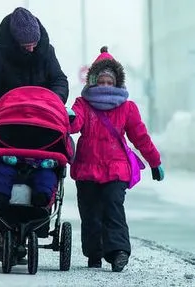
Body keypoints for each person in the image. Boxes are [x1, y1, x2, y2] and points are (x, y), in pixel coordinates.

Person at [69, 46, 165, 272]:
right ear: (92, 81)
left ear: (116, 83)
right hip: (87, 168)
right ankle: (94, 253)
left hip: (116, 168)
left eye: (108, 82)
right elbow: (74, 125)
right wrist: (67, 118)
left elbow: (140, 137)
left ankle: (118, 253)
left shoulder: (127, 108)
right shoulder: (82, 104)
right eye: (100, 81)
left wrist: (155, 161)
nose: (104, 86)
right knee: (90, 213)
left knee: (113, 207)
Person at [0, 7, 69, 173]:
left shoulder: (47, 53)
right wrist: (1, 107)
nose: (31, 49)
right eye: (26, 46)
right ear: (14, 42)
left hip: (40, 123)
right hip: (2, 127)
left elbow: (59, 80)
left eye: (34, 44)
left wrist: (52, 102)